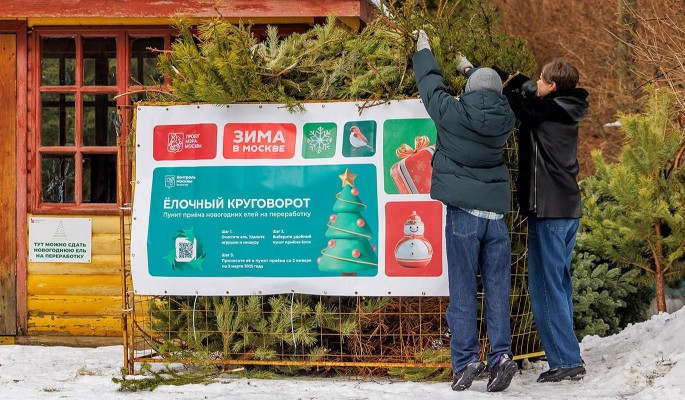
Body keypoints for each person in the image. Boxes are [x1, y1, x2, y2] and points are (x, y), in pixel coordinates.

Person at [412, 30, 518, 393]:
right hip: (496, 221)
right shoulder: (506, 119)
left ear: (469, 90)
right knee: (497, 292)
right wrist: (469, 68)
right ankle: (501, 356)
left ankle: (465, 361)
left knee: (462, 291)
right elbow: (488, 92)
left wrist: (424, 49)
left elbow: (430, 84)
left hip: (464, 218)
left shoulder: (451, 113)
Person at [501, 60, 589, 382]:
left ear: (552, 87)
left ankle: (566, 360)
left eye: (541, 79)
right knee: (560, 285)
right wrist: (514, 77)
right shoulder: (567, 107)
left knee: (545, 288)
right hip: (567, 209)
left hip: (548, 211)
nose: (536, 83)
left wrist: (496, 83)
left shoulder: (546, 111)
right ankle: (568, 356)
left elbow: (522, 106)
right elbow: (532, 93)